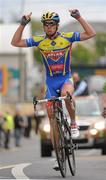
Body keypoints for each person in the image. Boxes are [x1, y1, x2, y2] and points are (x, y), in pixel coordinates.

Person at [11, 9, 96, 169]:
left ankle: (73, 123)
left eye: (51, 24)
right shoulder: (39, 40)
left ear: (57, 25)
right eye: (45, 24)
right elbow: (15, 43)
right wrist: (23, 24)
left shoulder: (67, 37)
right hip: (50, 83)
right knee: (51, 120)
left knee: (66, 94)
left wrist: (78, 17)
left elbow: (90, 34)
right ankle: (59, 154)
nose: (48, 27)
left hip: (65, 79)